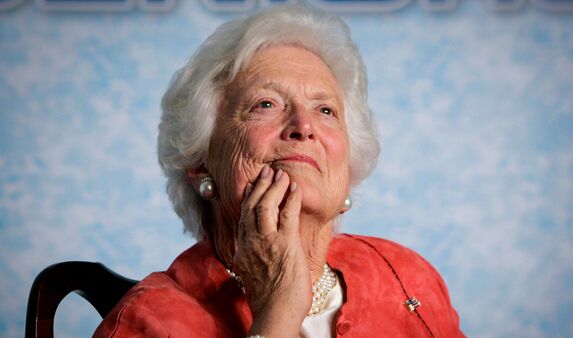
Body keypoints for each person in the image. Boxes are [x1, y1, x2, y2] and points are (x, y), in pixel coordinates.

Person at [93, 4, 464, 338]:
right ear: (199, 161)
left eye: (325, 110)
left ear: (347, 167)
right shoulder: (149, 322)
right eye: (266, 104)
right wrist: (279, 312)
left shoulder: (405, 273)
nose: (304, 125)